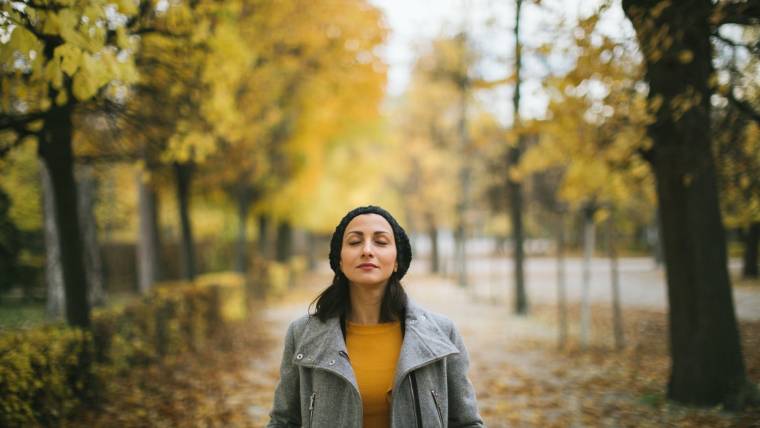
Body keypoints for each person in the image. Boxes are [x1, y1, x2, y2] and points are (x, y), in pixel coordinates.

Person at [267, 205, 484, 428]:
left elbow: (466, 423)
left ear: (397, 260)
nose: (367, 250)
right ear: (339, 260)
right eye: (354, 242)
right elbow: (284, 421)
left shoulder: (441, 333)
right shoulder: (303, 334)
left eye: (380, 242)